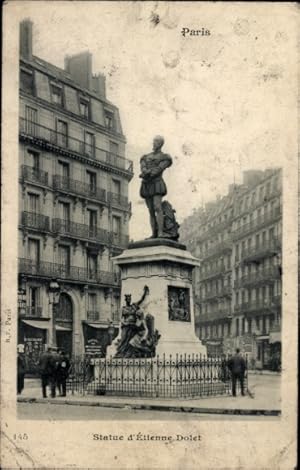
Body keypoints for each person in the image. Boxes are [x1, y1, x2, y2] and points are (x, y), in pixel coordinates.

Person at [139, 136, 172, 238]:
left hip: (157, 182)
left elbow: (159, 169)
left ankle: (161, 232)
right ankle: (154, 233)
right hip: (146, 183)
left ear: (161, 144)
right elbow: (143, 167)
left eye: (157, 142)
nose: (154, 143)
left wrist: (147, 172)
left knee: (157, 207)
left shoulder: (165, 157)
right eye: (154, 141)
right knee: (151, 210)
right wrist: (145, 171)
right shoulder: (145, 156)